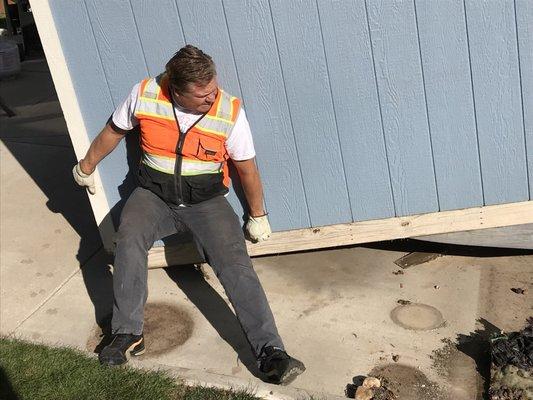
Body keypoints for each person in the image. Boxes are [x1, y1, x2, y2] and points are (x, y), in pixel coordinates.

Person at [72, 45, 305, 385]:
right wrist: (86, 166)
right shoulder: (145, 94)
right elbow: (113, 130)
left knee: (235, 265)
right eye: (202, 96)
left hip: (207, 202)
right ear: (175, 89)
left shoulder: (228, 109)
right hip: (153, 195)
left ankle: (271, 351)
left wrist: (258, 214)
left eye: (213, 90)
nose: (212, 99)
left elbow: (246, 168)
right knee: (128, 239)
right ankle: (126, 333)